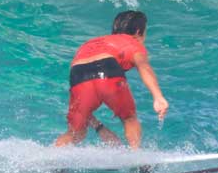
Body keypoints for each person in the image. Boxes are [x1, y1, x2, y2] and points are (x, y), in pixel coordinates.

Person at [53, 10, 168, 149]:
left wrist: (98, 127)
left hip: (78, 74)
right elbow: (144, 66)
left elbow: (85, 84)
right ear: (139, 32)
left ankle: (53, 159)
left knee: (75, 133)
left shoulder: (90, 43)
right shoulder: (132, 41)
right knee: (129, 118)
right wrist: (158, 96)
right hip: (107, 70)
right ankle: (136, 159)